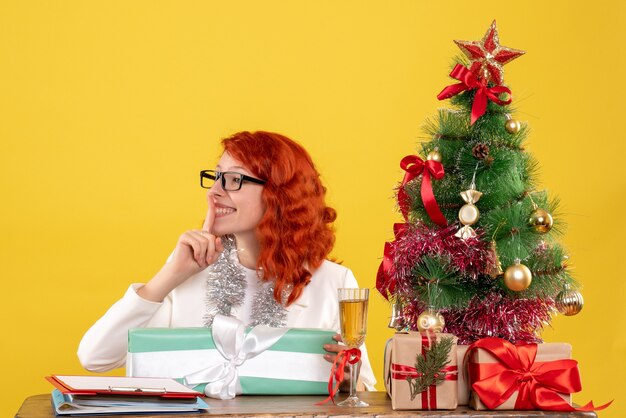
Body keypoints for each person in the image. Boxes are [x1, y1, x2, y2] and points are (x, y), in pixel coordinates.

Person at [78, 130, 376, 390]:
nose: (214, 192)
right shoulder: (187, 271)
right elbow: (95, 358)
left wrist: (350, 379)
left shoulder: (334, 282)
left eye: (233, 180)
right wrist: (169, 276)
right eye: (216, 177)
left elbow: (363, 389)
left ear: (279, 194)